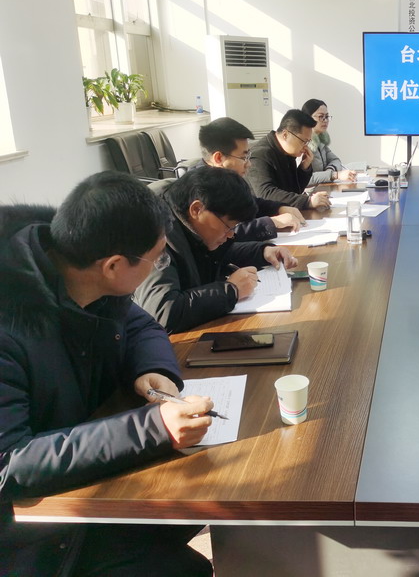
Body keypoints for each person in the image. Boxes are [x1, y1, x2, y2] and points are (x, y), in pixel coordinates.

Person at [0, 172, 214, 576]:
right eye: (157, 258)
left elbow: (141, 324)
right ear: (114, 265)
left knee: (197, 509)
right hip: (31, 533)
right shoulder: (10, 326)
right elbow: (8, 464)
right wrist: (154, 428)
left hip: (84, 478)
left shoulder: (78, 268)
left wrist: (154, 368)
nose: (160, 266)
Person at [134, 167, 298, 334]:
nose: (231, 235)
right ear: (197, 209)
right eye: (229, 227)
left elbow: (216, 254)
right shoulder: (156, 234)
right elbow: (163, 312)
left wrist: (262, 252)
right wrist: (231, 291)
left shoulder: (192, 226)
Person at [195, 116, 306, 239]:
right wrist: (273, 222)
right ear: (218, 158)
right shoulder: (199, 190)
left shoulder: (226, 178)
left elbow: (251, 203)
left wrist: (279, 208)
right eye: (243, 158)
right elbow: (225, 233)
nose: (249, 164)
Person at [246, 109, 331, 210]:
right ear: (285, 135)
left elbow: (294, 191)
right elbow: (266, 194)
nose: (305, 147)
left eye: (308, 142)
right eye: (303, 141)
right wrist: (308, 201)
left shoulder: (287, 152)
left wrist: (304, 168)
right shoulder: (260, 155)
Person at [301, 98, 356, 185]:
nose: (325, 120)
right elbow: (303, 179)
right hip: (309, 192)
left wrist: (330, 171)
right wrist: (335, 175)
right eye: (321, 117)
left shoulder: (320, 140)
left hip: (323, 187)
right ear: (307, 118)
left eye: (327, 116)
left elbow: (335, 160)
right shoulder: (302, 143)